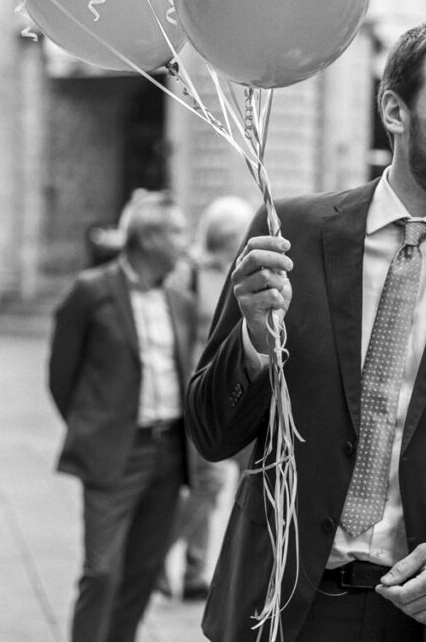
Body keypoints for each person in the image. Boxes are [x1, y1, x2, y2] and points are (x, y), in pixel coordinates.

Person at [186, 21, 426, 642]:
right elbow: (211, 432)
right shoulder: (289, 234)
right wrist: (254, 343)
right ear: (395, 109)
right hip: (286, 606)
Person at [48, 189, 195, 642]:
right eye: (176, 232)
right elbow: (61, 377)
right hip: (116, 453)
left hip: (169, 453)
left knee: (143, 571)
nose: (185, 243)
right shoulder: (90, 292)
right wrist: (94, 426)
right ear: (148, 238)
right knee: (102, 572)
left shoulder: (180, 304)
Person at [159, 195, 256, 601]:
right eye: (240, 233)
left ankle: (197, 572)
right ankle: (156, 554)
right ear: (223, 235)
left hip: (241, 391)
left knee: (246, 478)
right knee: (209, 481)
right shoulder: (189, 274)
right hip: (201, 392)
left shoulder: (246, 272)